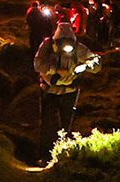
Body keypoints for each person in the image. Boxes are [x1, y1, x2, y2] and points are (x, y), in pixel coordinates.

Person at [35, 19, 100, 154]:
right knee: (48, 123)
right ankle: (44, 152)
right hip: (50, 90)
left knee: (67, 122)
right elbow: (37, 64)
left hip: (70, 90)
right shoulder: (47, 46)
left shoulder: (78, 47)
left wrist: (86, 66)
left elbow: (95, 61)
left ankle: (63, 151)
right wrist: (55, 70)